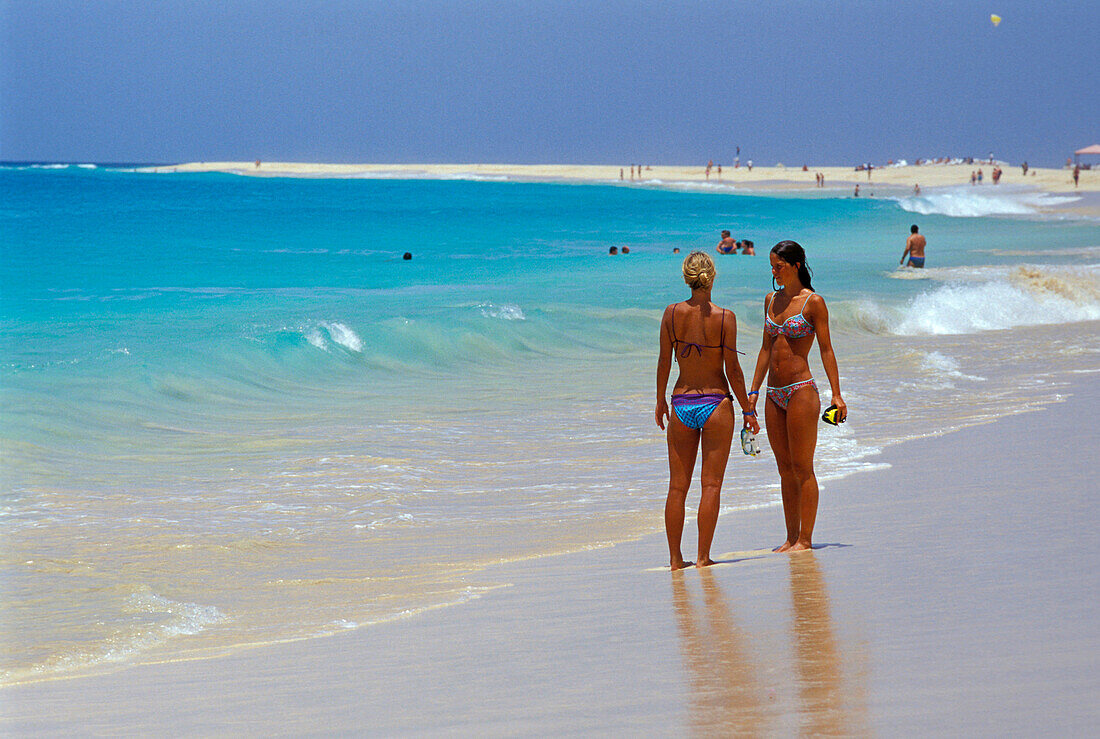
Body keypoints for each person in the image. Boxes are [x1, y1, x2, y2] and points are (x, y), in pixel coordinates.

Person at [656, 252, 758, 569]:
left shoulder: (671, 314)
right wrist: (748, 408)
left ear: (686, 278)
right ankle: (702, 558)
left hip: (682, 401)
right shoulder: (725, 317)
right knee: (710, 485)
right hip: (716, 403)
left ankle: (675, 559)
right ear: (712, 278)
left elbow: (663, 362)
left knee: (677, 487)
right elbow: (734, 370)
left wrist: (659, 400)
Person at [747, 241, 846, 552]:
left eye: (779, 266)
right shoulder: (770, 300)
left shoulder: (813, 302)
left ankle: (805, 538)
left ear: (796, 265)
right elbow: (765, 349)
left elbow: (826, 349)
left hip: (801, 390)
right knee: (784, 468)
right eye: (772, 266)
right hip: (773, 393)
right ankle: (791, 537)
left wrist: (837, 395)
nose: (774, 271)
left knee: (803, 467)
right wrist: (753, 391)